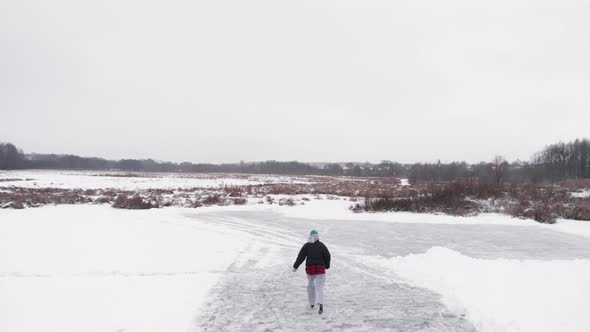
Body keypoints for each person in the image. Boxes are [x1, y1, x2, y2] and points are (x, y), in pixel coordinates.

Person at [293, 229, 331, 315]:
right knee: (319, 286)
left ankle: (312, 303)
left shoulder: (306, 245)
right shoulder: (322, 245)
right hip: (320, 269)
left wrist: (295, 266)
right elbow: (327, 255)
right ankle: (320, 303)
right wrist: (327, 265)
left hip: (310, 269)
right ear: (317, 237)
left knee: (310, 285)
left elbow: (301, 257)